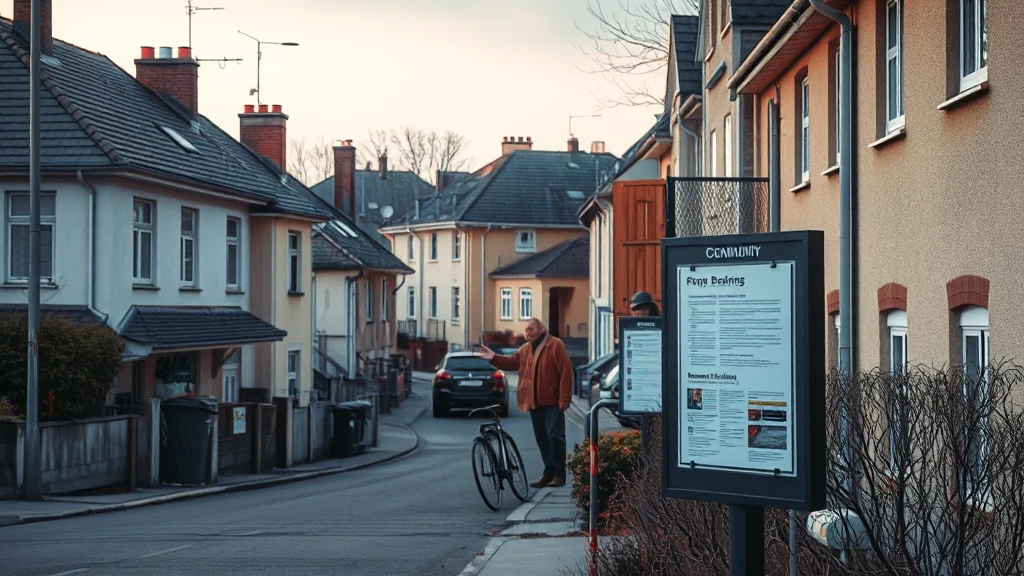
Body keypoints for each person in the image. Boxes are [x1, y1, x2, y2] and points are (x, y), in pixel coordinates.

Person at [479, 318, 574, 488]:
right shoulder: (525, 349)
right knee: (542, 439)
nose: (527, 332)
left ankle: (560, 474)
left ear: (541, 330)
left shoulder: (555, 345)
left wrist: (565, 397)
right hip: (533, 401)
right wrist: (493, 357)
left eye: (530, 329)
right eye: (526, 330)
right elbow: (511, 362)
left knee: (554, 436)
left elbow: (566, 371)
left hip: (552, 400)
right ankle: (548, 472)